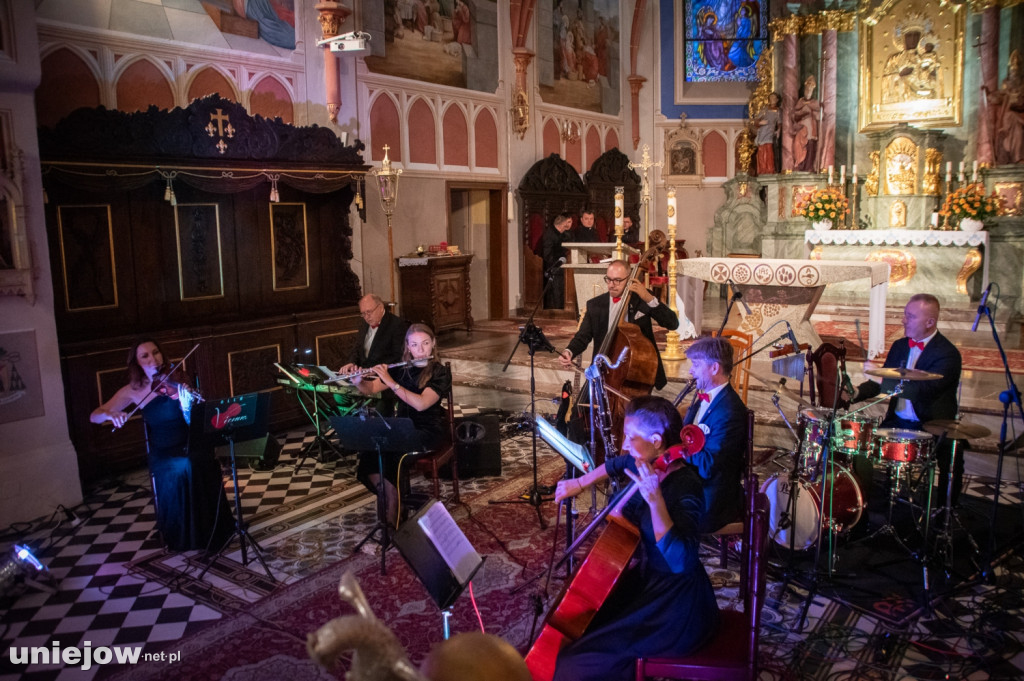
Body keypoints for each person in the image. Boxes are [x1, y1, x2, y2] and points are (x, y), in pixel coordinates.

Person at [550, 396, 719, 681]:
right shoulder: (649, 460)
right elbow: (617, 463)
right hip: (646, 581)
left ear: (656, 439)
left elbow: (682, 561)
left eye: (630, 436)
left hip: (674, 609)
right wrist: (579, 483)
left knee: (575, 661)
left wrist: (655, 502)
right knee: (583, 628)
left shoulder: (685, 485)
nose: (625, 444)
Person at [90, 339, 233, 552]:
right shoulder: (133, 391)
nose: (153, 359)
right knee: (187, 464)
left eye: (155, 352)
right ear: (137, 363)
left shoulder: (178, 379)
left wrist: (187, 407)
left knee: (199, 459)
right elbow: (94, 416)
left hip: (190, 441)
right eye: (145, 356)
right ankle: (186, 536)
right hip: (165, 451)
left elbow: (195, 421)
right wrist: (111, 414)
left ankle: (214, 529)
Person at [847, 294, 963, 507]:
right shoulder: (900, 346)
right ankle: (862, 506)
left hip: (931, 423)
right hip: (897, 420)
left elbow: (924, 390)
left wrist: (879, 377)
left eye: (910, 316)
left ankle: (943, 515)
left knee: (954, 457)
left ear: (930, 322)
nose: (903, 321)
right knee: (858, 446)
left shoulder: (948, 354)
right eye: (904, 315)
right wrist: (855, 392)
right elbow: (882, 385)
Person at [351, 324, 451, 526]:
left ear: (433, 344)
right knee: (371, 453)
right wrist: (358, 381)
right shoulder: (402, 368)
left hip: (427, 431)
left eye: (425, 343)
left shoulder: (440, 373)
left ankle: (393, 508)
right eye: (414, 345)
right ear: (408, 347)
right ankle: (391, 496)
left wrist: (391, 382)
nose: (420, 349)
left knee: (394, 457)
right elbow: (370, 388)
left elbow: (422, 404)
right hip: (401, 428)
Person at [558, 260, 679, 390]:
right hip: (604, 371)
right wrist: (569, 351)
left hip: (637, 371)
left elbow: (672, 323)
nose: (611, 285)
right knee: (580, 410)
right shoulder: (595, 305)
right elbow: (582, 336)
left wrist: (648, 298)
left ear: (629, 279)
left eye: (617, 280)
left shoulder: (641, 299)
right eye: (608, 280)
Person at [680, 336, 748, 532]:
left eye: (696, 364)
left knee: (655, 509)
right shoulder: (704, 397)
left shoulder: (729, 411)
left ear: (714, 368)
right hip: (694, 483)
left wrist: (679, 451)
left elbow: (709, 465)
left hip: (711, 499)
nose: (691, 371)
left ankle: (675, 560)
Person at [340, 294, 409, 374]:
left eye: (369, 312)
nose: (366, 317)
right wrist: (351, 363)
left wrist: (375, 370)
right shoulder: (363, 324)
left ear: (380, 308)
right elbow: (357, 348)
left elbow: (398, 356)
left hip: (384, 376)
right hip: (363, 373)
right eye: (363, 313)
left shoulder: (397, 325)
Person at [540, 213, 574, 309]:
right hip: (554, 269)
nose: (568, 226)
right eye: (567, 223)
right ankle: (556, 310)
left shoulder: (563, 234)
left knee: (562, 293)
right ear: (563, 224)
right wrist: (559, 264)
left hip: (562, 269)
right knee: (556, 295)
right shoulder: (550, 235)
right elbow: (547, 255)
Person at [793, 75, 821, 172]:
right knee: (798, 145)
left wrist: (812, 111)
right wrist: (802, 114)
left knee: (810, 147)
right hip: (801, 128)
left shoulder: (815, 102)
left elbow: (820, 116)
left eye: (810, 89)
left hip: (811, 129)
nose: (808, 91)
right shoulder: (800, 101)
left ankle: (809, 167)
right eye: (807, 89)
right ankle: (800, 164)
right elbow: (795, 114)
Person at [755, 92, 781, 175]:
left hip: (770, 131)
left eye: (774, 98)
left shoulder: (778, 111)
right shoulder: (764, 109)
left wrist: (779, 130)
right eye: (770, 98)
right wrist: (760, 122)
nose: (772, 100)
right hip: (762, 131)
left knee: (769, 150)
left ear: (777, 100)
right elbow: (756, 121)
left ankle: (769, 169)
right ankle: (762, 169)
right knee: (761, 150)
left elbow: (779, 122)